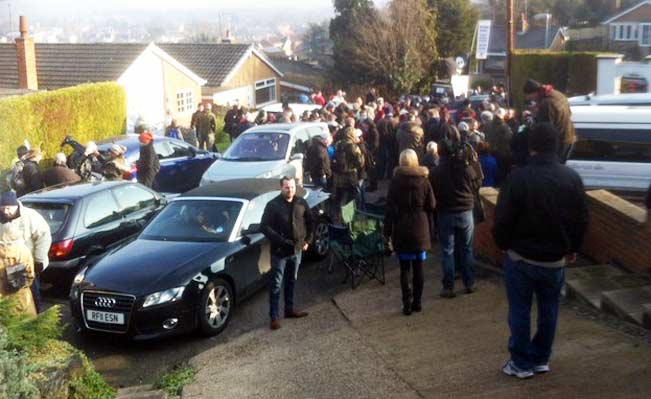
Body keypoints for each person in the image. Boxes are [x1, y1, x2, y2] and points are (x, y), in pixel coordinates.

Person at [492, 122, 589, 379]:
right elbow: (581, 219)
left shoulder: (518, 178)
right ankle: (541, 358)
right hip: (555, 259)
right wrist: (573, 248)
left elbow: (502, 219)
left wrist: (502, 244)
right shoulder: (572, 178)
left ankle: (521, 363)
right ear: (557, 146)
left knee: (520, 310)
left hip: (521, 258)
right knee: (549, 310)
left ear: (531, 146)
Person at [429, 130, 483, 298]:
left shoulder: (435, 172)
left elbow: (432, 194)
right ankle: (470, 283)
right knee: (466, 249)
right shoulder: (464, 167)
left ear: (439, 153)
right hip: (465, 211)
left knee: (447, 251)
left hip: (445, 213)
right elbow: (477, 183)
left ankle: (448, 286)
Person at [384, 149, 436, 315]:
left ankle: (407, 303)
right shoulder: (424, 180)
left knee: (404, 268)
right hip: (420, 226)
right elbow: (432, 205)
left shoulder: (395, 182)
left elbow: (390, 208)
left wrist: (387, 230)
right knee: (419, 267)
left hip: (402, 226)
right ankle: (418, 302)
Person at [260, 176, 314, 330]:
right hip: (279, 252)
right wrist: (279, 240)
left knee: (292, 280)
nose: (290, 190)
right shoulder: (273, 205)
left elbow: (310, 222)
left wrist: (307, 241)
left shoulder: (301, 202)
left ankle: (289, 310)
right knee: (276, 284)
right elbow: (264, 227)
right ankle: (274, 317)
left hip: (297, 250)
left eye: (292, 187)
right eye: (286, 187)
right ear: (281, 188)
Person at [0, 191, 51, 313]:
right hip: (4, 267)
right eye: (2, 208)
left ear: (16, 205)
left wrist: (39, 260)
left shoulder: (30, 216)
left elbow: (44, 237)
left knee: (31, 294)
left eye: (8, 208)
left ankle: (37, 319)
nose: (5, 211)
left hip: (27, 263)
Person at [523, 79, 576, 163]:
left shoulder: (546, 103)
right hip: (569, 136)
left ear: (534, 92)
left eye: (530, 97)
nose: (531, 100)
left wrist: (529, 118)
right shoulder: (558, 94)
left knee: (553, 169)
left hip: (558, 141)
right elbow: (568, 113)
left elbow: (544, 130)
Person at [0, 224, 37, 316]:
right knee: (25, 322)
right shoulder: (24, 251)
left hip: (1, 295)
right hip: (20, 294)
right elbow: (30, 274)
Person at [333, 127, 365, 208]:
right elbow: (360, 162)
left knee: (340, 195)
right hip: (350, 176)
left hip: (339, 175)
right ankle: (354, 212)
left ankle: (337, 212)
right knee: (353, 196)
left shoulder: (338, 144)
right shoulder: (353, 147)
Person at [484, 108, 513, 185]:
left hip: (490, 151)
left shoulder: (488, 125)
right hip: (503, 153)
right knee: (502, 174)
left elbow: (485, 137)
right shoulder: (505, 126)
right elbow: (510, 138)